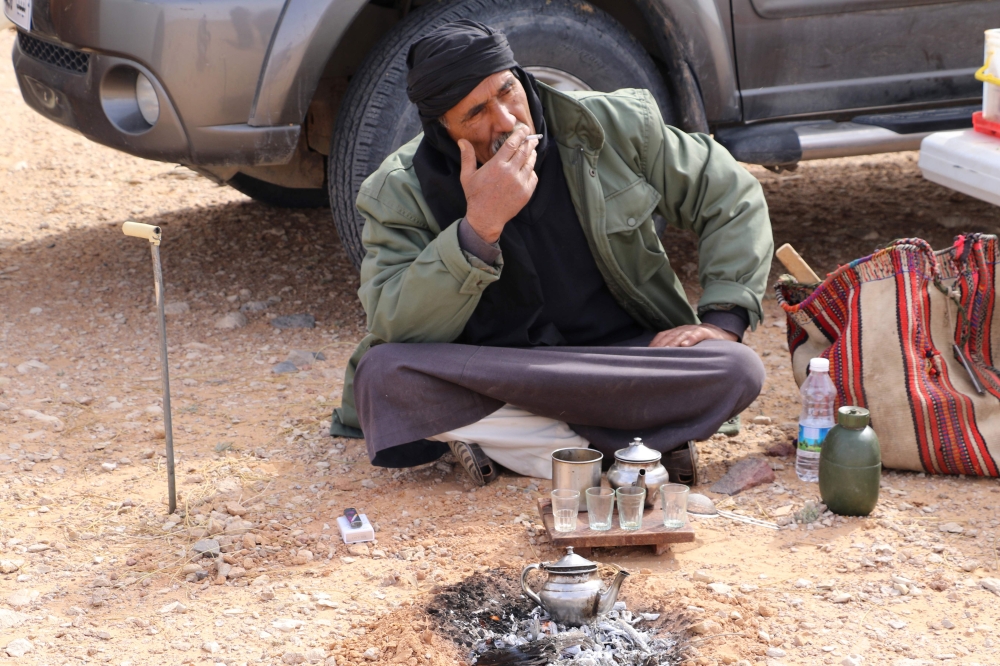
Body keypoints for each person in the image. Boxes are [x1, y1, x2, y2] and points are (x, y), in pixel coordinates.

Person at [330, 19, 772, 487]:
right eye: (476, 112)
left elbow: (728, 192)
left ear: (521, 77)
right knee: (383, 375)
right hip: (496, 371)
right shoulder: (397, 190)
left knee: (736, 367)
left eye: (507, 91)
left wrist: (723, 321)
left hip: (619, 360)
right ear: (443, 129)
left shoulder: (613, 126)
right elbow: (393, 321)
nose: (505, 120)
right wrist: (478, 229)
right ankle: (625, 446)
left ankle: (540, 447)